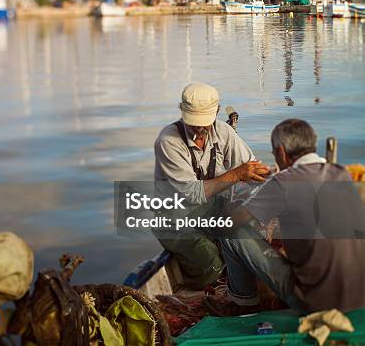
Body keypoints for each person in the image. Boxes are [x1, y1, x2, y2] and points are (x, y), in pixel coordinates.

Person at [205, 119, 365, 315]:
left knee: (231, 232)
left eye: (275, 154)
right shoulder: (341, 174)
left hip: (314, 303)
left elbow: (228, 226)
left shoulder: (282, 182)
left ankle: (242, 303)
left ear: (281, 152)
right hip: (359, 298)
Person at [154, 83, 270, 288]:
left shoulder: (224, 131)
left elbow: (250, 168)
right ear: (182, 112)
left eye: (204, 123)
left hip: (210, 209)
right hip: (174, 218)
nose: (199, 129)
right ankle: (201, 288)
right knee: (212, 266)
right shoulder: (168, 141)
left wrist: (273, 176)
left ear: (216, 112)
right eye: (193, 123)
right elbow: (192, 194)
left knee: (248, 235)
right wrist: (237, 174)